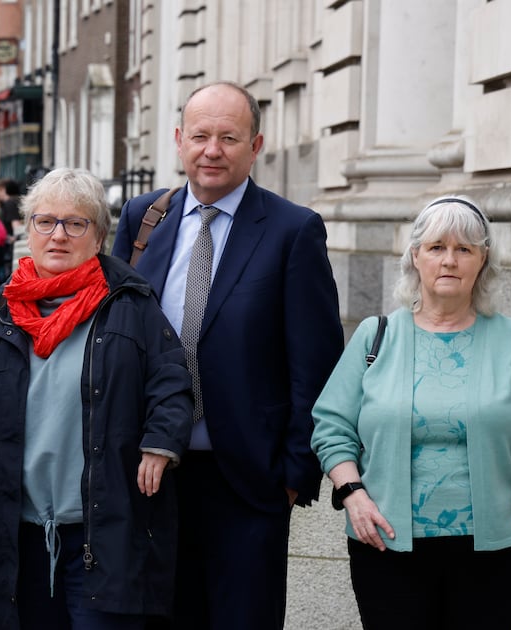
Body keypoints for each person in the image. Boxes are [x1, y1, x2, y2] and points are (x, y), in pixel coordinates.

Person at [110, 80, 344, 629]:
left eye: (229, 137)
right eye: (200, 136)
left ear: (256, 146)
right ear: (178, 140)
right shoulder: (144, 219)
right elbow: (115, 338)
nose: (212, 150)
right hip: (149, 476)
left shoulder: (293, 230)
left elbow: (315, 360)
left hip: (247, 481)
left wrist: (291, 473)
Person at [0, 167, 194, 629]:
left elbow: (172, 381)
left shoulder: (131, 306)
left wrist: (161, 442)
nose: (58, 235)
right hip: (16, 540)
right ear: (27, 229)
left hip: (103, 538)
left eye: (75, 223)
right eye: (45, 221)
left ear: (97, 236)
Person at [310, 196, 511, 629]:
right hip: (386, 539)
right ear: (415, 256)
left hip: (494, 543)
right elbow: (331, 425)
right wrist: (352, 494)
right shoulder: (376, 336)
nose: (450, 260)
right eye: (436, 247)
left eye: (464, 249)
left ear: (483, 260)